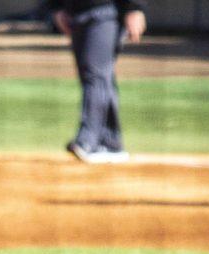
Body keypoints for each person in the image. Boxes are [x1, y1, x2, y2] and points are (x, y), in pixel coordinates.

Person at [49, 0, 147, 164]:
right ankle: (110, 142)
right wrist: (57, 7)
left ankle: (87, 140)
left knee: (95, 76)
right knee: (98, 76)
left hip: (107, 11)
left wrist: (134, 8)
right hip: (76, 12)